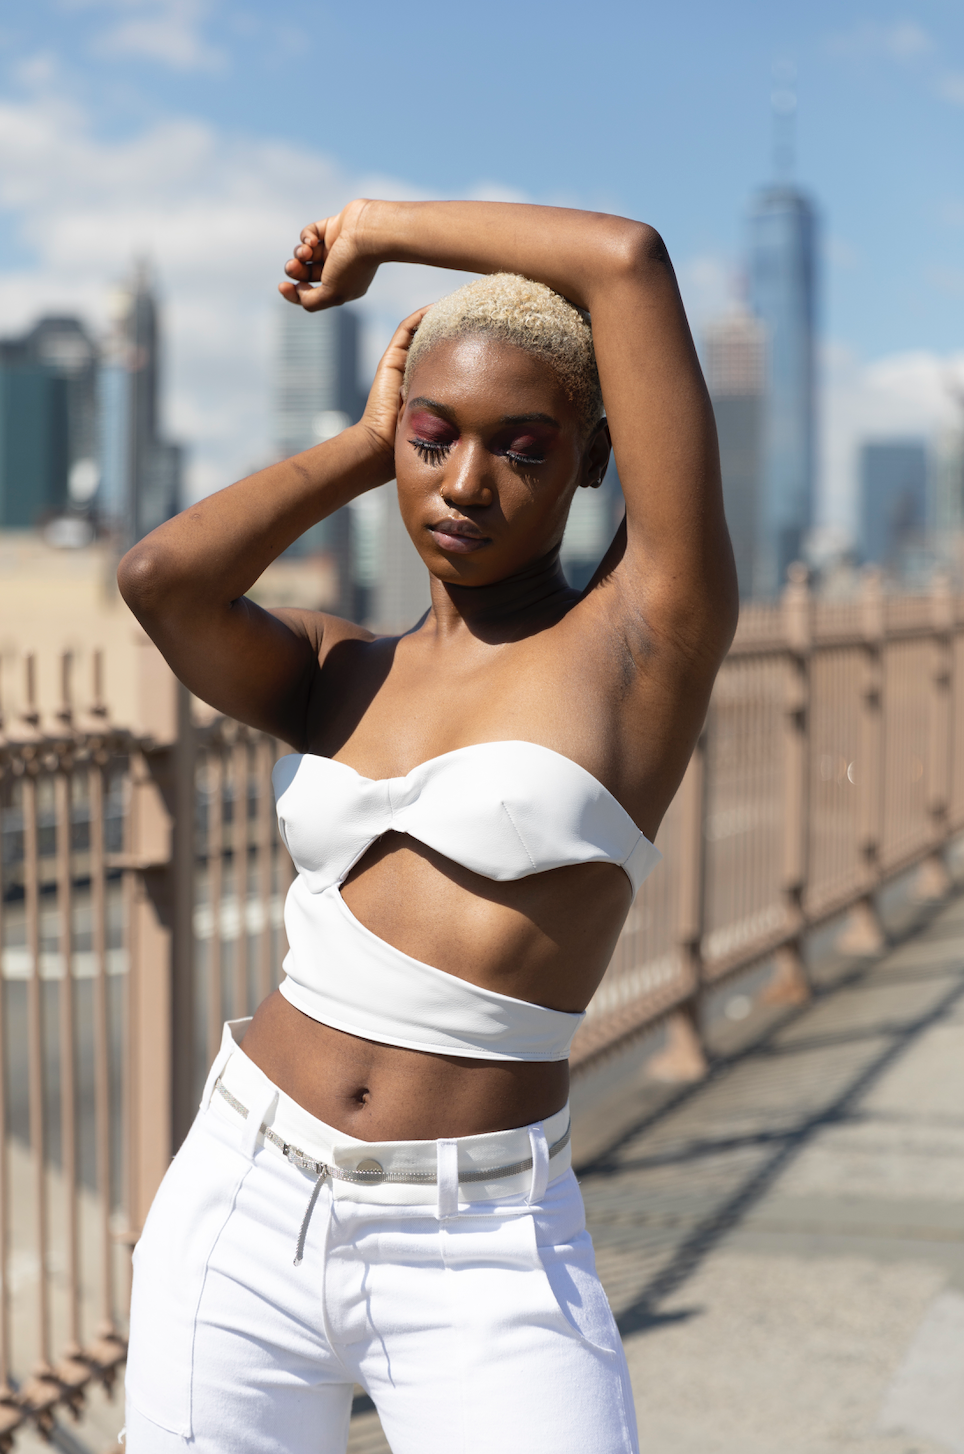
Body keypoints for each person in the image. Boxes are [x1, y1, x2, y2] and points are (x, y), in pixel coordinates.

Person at [118, 198, 737, 1454]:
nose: (464, 481)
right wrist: (358, 445)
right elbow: (161, 580)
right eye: (432, 436)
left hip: (481, 1242)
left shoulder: (640, 640)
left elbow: (627, 261)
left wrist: (377, 229)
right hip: (240, 1194)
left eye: (521, 444)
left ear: (591, 457)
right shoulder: (337, 668)